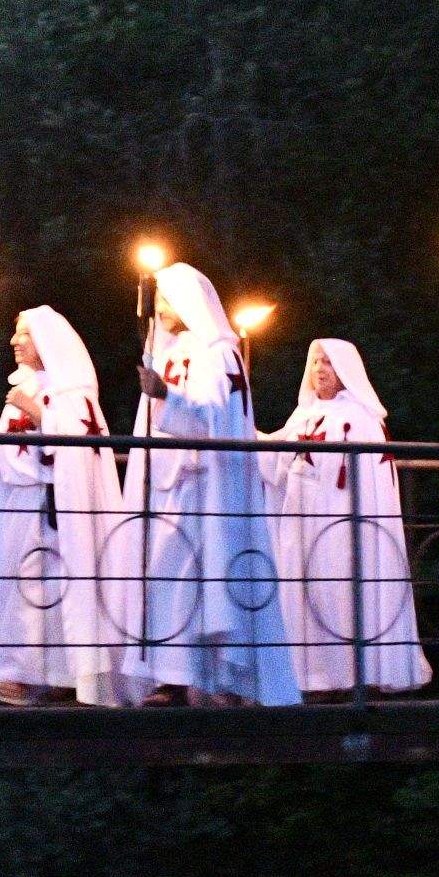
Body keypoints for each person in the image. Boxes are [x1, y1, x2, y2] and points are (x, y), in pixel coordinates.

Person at [122, 263, 298, 707]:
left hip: (206, 485)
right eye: (158, 299)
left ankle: (216, 678)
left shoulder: (218, 353)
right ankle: (173, 675)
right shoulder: (166, 352)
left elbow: (214, 420)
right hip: (172, 484)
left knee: (209, 580)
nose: (160, 308)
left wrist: (166, 396)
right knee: (168, 577)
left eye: (166, 299)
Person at [0, 304, 142, 706]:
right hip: (17, 507)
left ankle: (40, 676)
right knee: (23, 588)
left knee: (47, 589)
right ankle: (34, 674)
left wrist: (36, 411)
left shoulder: (71, 391)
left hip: (48, 510)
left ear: (46, 340)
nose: (13, 341)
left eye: (23, 333)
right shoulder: (24, 386)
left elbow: (69, 448)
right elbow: (13, 445)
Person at [261, 338, 427, 699]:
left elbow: (368, 481)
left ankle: (348, 676)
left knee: (339, 595)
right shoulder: (303, 414)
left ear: (346, 371)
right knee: (307, 595)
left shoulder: (360, 418)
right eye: (316, 361)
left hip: (340, 526)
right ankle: (312, 679)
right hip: (301, 522)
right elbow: (273, 457)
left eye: (328, 363)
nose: (319, 369)